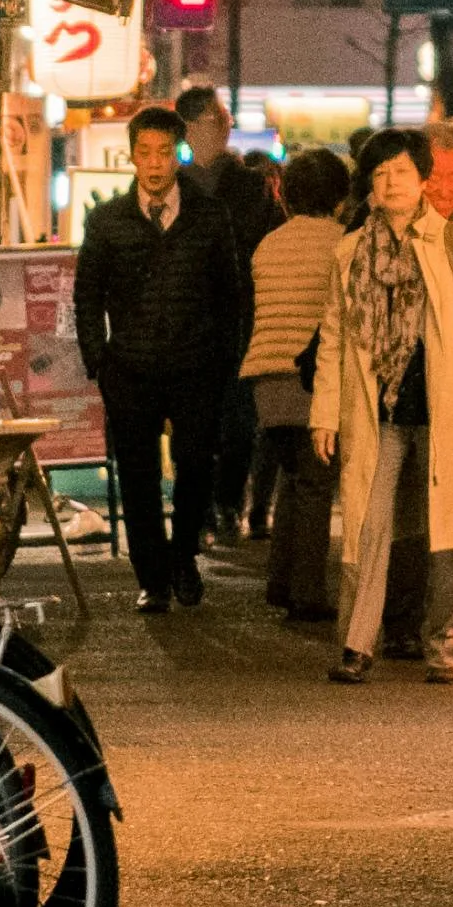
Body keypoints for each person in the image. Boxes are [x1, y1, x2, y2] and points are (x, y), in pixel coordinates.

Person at [310, 132, 453, 683]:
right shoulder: (351, 252)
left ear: (422, 179)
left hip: (446, 408)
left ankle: (446, 648)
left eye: (400, 172)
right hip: (378, 410)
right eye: (379, 175)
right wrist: (325, 412)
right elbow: (333, 335)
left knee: (452, 535)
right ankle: (356, 645)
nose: (389, 183)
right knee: (366, 526)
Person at [71, 107, 239, 609]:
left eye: (163, 152)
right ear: (131, 156)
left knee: (194, 466)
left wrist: (224, 364)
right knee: (138, 474)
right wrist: (97, 360)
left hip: (195, 364)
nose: (154, 163)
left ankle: (183, 556)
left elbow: (229, 294)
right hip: (130, 367)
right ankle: (153, 579)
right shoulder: (107, 220)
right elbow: (87, 295)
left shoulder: (208, 215)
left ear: (178, 153)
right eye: (144, 152)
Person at [242, 145, 353, 622]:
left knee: (295, 477)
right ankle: (306, 592)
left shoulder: (270, 243)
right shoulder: (344, 242)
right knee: (314, 484)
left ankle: (281, 581)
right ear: (340, 196)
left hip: (267, 377)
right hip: (314, 379)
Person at [173, 86, 273, 567]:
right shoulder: (173, 186)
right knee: (194, 424)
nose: (226, 124)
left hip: (243, 318)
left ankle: (227, 502)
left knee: (238, 422)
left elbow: (271, 250)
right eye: (217, 118)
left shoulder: (252, 185)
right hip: (189, 321)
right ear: (192, 127)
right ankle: (200, 513)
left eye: (226, 117)